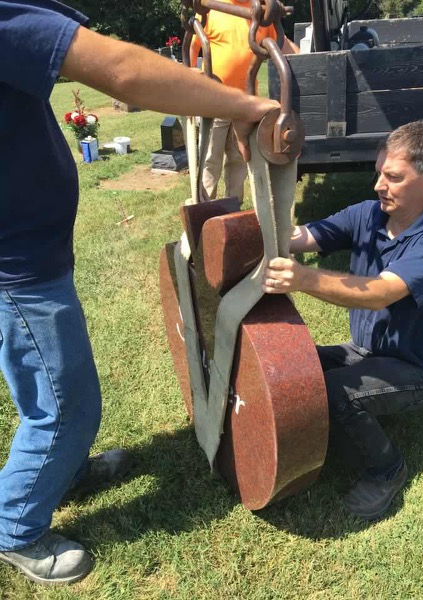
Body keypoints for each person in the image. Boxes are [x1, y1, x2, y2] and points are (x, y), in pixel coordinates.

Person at [0, 0, 278, 586]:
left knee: (42, 384)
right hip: (16, 266)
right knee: (68, 405)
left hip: (25, 254)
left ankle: (62, 469)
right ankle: (15, 526)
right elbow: (118, 69)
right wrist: (247, 104)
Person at [262, 119, 423, 521]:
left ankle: (388, 470)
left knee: (334, 392)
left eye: (393, 177)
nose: (378, 185)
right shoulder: (369, 214)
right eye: (379, 172)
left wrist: (304, 278)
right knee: (292, 366)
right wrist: (267, 223)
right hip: (365, 351)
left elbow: (381, 293)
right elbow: (305, 236)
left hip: (419, 369)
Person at [190, 0, 300, 203]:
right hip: (215, 100)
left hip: (246, 104)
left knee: (239, 159)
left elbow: (283, 45)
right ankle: (204, 209)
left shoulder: (261, 13)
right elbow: (194, 46)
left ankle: (232, 208)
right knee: (210, 158)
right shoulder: (211, 8)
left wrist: (309, 59)